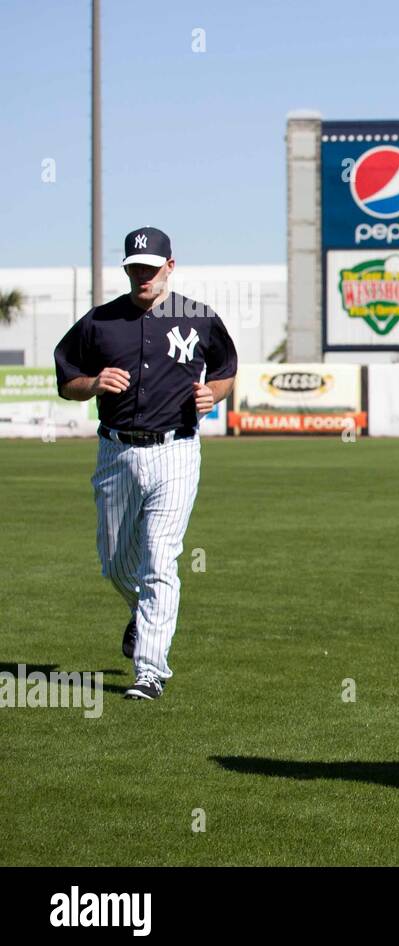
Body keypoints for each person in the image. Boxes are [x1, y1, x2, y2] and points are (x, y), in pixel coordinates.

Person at [53, 226, 238, 700]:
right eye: (135, 268)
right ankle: (143, 615)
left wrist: (210, 394)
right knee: (115, 563)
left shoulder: (199, 318)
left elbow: (225, 371)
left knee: (160, 559)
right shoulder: (100, 322)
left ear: (170, 267)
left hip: (176, 450)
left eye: (151, 269)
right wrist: (93, 384)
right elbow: (66, 380)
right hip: (116, 451)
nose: (142, 276)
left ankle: (149, 670)